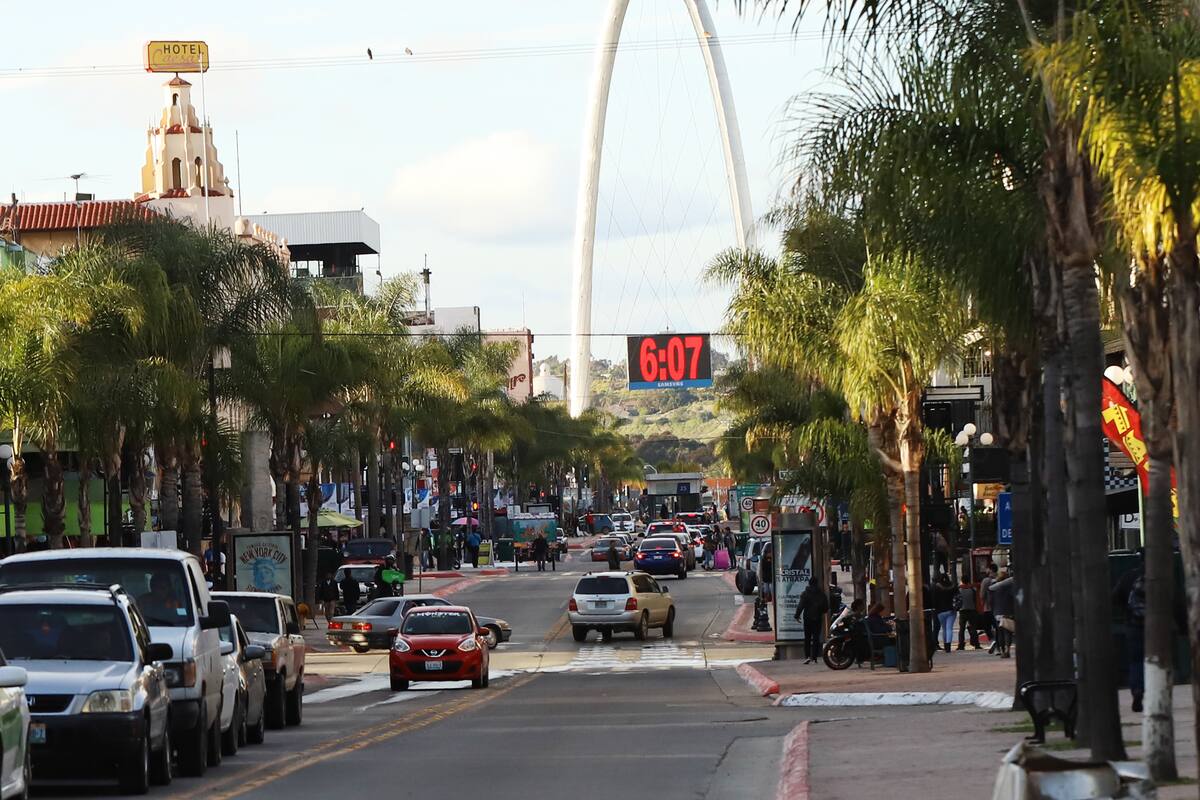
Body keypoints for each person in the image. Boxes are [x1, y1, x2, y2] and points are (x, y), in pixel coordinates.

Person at [1113, 554, 1146, 712]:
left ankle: (1137, 690)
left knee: (1136, 661)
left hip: (1133, 625)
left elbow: (1115, 597)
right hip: (1157, 626)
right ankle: (1156, 691)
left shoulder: (1129, 577)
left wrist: (1126, 610)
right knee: (1158, 660)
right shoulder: (1162, 576)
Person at [794, 579, 830, 664]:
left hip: (807, 618)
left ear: (809, 584)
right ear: (817, 584)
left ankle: (807, 656)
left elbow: (801, 606)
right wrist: (820, 611)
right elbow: (826, 608)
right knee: (816, 638)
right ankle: (814, 657)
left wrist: (797, 615)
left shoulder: (805, 594)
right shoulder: (821, 594)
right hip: (817, 618)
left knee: (807, 638)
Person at [988, 570, 1015, 658]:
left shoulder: (994, 588)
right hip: (1008, 611)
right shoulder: (1010, 587)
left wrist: (993, 610)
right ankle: (1007, 649)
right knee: (1008, 632)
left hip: (997, 612)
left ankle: (1002, 649)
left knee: (1000, 632)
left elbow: (990, 601)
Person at [931, 571, 956, 653]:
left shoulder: (936, 588)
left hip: (940, 611)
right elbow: (957, 596)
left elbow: (934, 600)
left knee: (944, 628)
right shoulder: (952, 586)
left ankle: (945, 645)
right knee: (949, 628)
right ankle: (948, 646)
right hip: (951, 610)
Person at [955, 575, 979, 650]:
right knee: (973, 628)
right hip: (972, 610)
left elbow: (957, 600)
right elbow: (975, 600)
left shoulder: (959, 589)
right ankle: (976, 644)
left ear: (962, 581)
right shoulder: (972, 589)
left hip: (962, 610)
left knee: (962, 629)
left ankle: (961, 645)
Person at [980, 562, 999, 652]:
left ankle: (993, 640)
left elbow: (982, 595)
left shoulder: (986, 580)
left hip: (988, 608)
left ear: (990, 570)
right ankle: (999, 645)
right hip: (998, 608)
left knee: (986, 626)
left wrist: (982, 604)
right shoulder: (999, 579)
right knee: (998, 627)